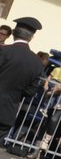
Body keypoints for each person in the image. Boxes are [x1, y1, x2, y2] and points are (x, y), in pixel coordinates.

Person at [0, 16, 45, 148]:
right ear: (31, 38)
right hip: (7, 112)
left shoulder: (3, 51)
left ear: (13, 33)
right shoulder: (36, 62)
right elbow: (30, 92)